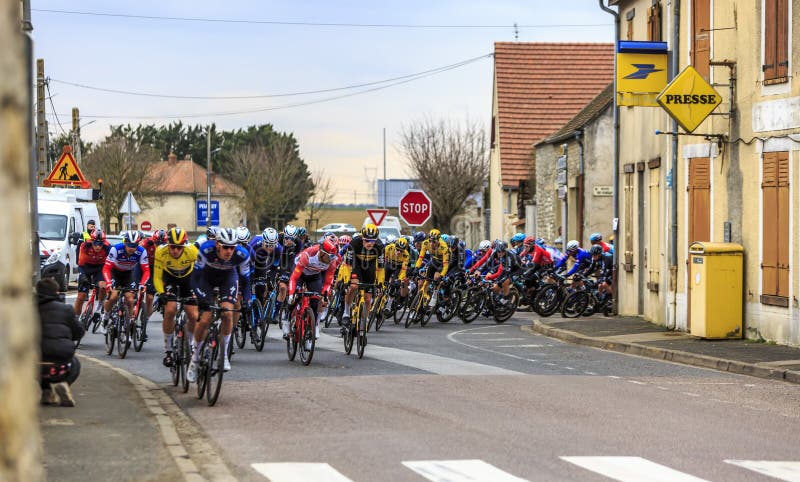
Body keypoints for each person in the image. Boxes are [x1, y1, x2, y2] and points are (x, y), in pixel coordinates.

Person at [187, 228, 251, 381]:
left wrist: (247, 300)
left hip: (227, 278)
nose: (229, 251)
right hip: (206, 279)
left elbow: (246, 280)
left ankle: (223, 355)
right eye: (225, 247)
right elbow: (195, 276)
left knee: (228, 313)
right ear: (217, 245)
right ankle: (194, 359)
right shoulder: (206, 250)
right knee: (205, 318)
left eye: (232, 247)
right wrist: (200, 297)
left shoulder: (242, 255)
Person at [153, 227, 199, 368]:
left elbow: (202, 273)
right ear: (168, 244)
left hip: (188, 279)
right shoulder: (161, 252)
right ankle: (168, 350)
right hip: (170, 279)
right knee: (170, 310)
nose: (175, 250)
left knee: (193, 314)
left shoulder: (192, 251)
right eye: (172, 246)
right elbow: (157, 277)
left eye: (179, 247)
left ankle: (191, 344)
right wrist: (161, 293)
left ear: (184, 245)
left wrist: (200, 291)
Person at [38, 277, 83, 406]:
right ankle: (64, 384)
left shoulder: (28, 308)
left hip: (34, 359)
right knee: (75, 363)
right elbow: (79, 332)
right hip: (62, 359)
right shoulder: (66, 309)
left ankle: (46, 391)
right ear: (56, 292)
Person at [286, 238, 340, 342]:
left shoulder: (332, 261)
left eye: (333, 256)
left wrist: (324, 296)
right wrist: (291, 294)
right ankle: (287, 320)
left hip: (314, 276)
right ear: (322, 253)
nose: (331, 259)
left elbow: (328, 282)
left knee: (315, 302)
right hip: (300, 273)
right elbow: (294, 278)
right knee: (295, 298)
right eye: (330, 256)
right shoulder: (308, 255)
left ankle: (311, 330)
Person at [338, 223, 385, 332]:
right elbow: (347, 265)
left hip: (370, 266)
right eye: (367, 240)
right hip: (356, 264)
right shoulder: (354, 243)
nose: (370, 243)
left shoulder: (380, 246)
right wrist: (346, 281)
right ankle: (346, 312)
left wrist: (381, 283)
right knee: (353, 287)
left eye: (372, 241)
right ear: (362, 238)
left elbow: (381, 268)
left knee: (368, 298)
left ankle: (365, 319)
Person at [102, 230, 150, 333]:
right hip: (115, 272)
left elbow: (146, 270)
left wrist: (142, 284)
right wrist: (109, 283)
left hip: (129, 274)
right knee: (113, 296)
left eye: (134, 245)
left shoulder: (142, 251)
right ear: (124, 242)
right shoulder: (116, 249)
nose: (131, 248)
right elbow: (106, 268)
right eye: (129, 245)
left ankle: (129, 321)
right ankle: (105, 317)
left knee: (130, 298)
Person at [74, 229, 110, 317]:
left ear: (103, 243)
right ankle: (76, 317)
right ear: (91, 241)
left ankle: (100, 304)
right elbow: (81, 263)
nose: (98, 247)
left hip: (100, 268)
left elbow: (110, 264)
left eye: (100, 244)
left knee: (102, 286)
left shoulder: (108, 247)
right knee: (81, 296)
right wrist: (82, 275)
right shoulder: (85, 245)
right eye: (95, 244)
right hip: (86, 267)